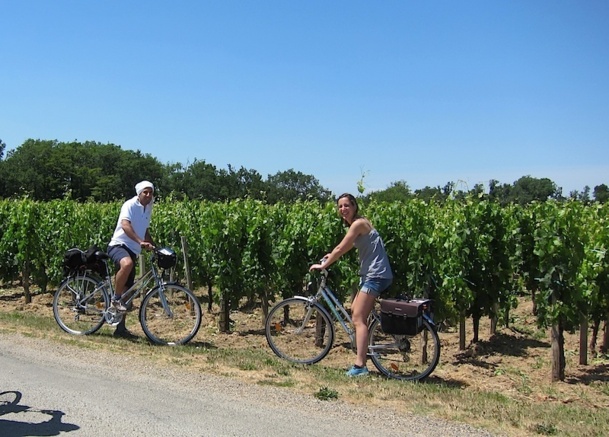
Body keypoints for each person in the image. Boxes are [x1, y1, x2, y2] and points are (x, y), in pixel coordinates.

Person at [309, 193, 393, 377]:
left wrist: (324, 265)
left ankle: (360, 365)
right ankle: (366, 349)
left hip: (375, 275)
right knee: (355, 310)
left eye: (346, 205)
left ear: (354, 206)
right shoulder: (360, 223)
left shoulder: (358, 224)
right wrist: (328, 257)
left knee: (358, 319)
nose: (343, 209)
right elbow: (342, 248)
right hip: (372, 274)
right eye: (340, 206)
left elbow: (341, 248)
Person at [106, 180, 156, 338]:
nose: (148, 195)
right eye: (145, 192)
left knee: (128, 292)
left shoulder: (148, 208)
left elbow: (145, 231)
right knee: (126, 264)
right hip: (118, 245)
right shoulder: (129, 205)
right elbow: (126, 225)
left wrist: (155, 247)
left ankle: (120, 329)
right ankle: (115, 298)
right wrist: (140, 241)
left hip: (133, 250)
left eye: (150, 192)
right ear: (139, 193)